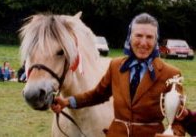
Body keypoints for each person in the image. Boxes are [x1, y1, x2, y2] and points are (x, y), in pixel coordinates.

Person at [51, 13, 185, 137]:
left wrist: (174, 133)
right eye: (138, 36)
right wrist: (67, 101)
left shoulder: (171, 74)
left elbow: (178, 120)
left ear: (156, 40)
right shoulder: (116, 66)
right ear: (130, 37)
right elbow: (97, 95)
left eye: (149, 37)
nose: (143, 43)